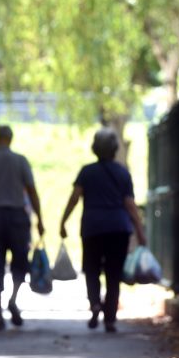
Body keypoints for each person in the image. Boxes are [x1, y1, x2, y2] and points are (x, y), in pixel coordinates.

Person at [59, 127, 146, 333]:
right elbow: (130, 205)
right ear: (115, 149)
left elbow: (74, 198)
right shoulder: (123, 173)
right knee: (114, 274)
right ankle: (110, 318)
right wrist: (140, 231)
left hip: (93, 227)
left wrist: (63, 221)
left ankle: (95, 304)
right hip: (118, 228)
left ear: (94, 149)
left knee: (92, 269)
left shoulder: (87, 172)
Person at [0, 125, 45, 331]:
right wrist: (40, 219)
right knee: (20, 261)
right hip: (17, 217)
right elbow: (32, 191)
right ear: (10, 139)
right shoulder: (21, 161)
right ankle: (13, 299)